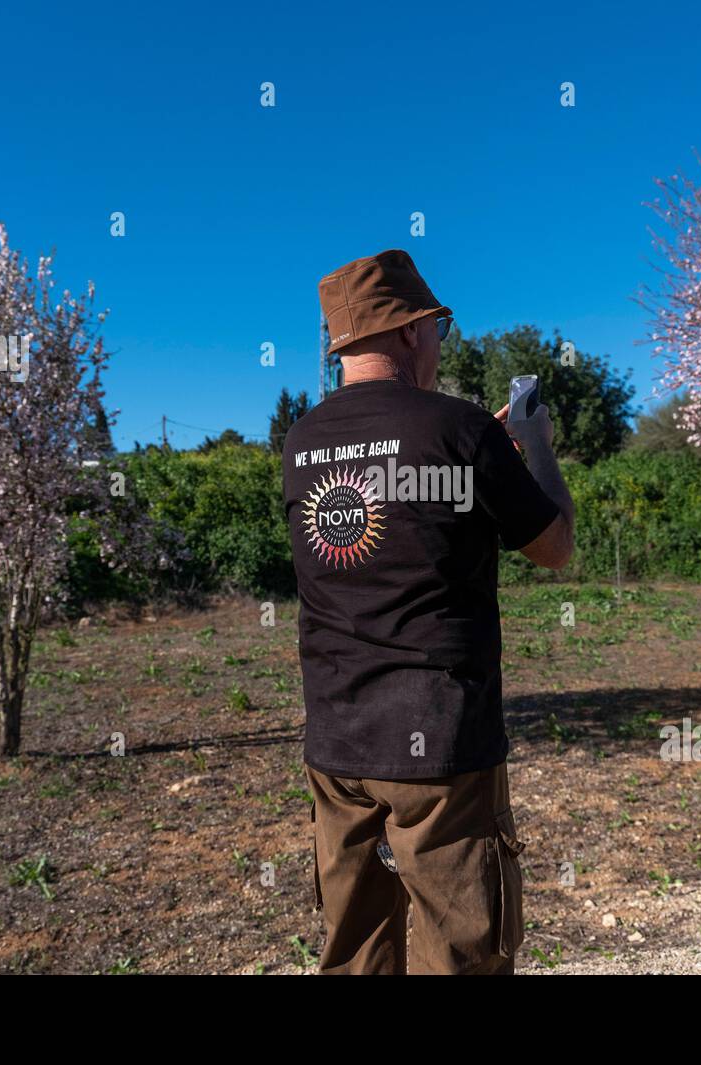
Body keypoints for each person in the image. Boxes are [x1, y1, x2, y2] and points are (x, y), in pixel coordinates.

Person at [282, 248, 575, 974]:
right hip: (440, 743)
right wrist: (532, 448)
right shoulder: (464, 430)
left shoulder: (301, 442)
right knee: (462, 951)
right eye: (439, 325)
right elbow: (554, 546)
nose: (441, 341)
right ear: (412, 329)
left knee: (353, 951)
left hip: (337, 741)